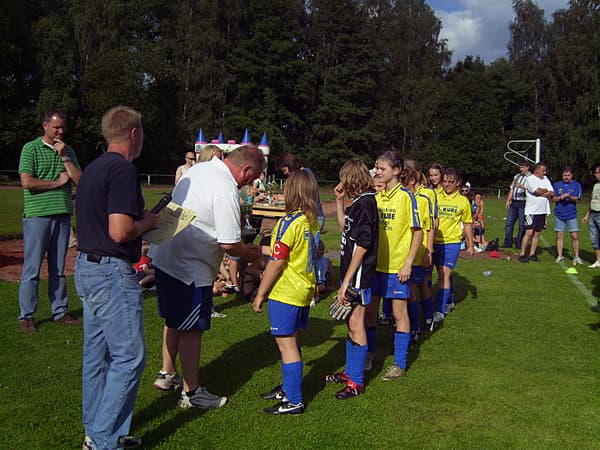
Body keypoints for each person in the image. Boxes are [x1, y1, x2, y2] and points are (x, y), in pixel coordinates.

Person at [148, 145, 264, 409]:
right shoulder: (225, 190)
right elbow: (230, 243)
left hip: (166, 255)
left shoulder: (199, 170)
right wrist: (251, 254)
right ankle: (192, 393)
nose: (252, 182)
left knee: (174, 320)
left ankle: (167, 374)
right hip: (190, 267)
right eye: (253, 176)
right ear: (245, 169)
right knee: (192, 329)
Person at [75, 106, 158, 450]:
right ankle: (104, 439)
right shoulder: (123, 170)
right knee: (129, 357)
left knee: (98, 355)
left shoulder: (93, 169)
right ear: (134, 134)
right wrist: (148, 224)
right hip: (111, 272)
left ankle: (96, 430)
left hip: (86, 267)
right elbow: (121, 231)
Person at [253, 169, 321, 414]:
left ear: (291, 192)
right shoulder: (311, 222)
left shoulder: (288, 223)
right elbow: (316, 252)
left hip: (286, 292)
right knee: (291, 341)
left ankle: (294, 400)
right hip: (303, 289)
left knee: (286, 344)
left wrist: (261, 293)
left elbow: (277, 262)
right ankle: (289, 387)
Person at [17, 109, 81, 332]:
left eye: (63, 127)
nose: (60, 131)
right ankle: (26, 315)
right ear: (45, 126)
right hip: (38, 215)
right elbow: (27, 182)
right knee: (32, 268)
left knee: (58, 268)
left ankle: (60, 311)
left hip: (62, 214)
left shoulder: (68, 151)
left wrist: (64, 157)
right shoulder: (31, 149)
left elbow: (79, 180)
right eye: (56, 127)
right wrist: (57, 183)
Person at [324, 159, 378, 399]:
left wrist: (346, 281)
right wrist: (338, 201)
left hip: (358, 275)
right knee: (350, 322)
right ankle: (350, 371)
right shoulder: (358, 202)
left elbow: (364, 244)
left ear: (352, 179)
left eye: (344, 178)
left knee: (356, 323)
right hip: (351, 273)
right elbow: (344, 227)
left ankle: (356, 381)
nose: (341, 182)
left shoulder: (366, 203)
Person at [369, 150, 423, 381]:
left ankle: (399, 362)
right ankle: (368, 354)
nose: (378, 173)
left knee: (399, 313)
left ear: (397, 170)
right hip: (375, 266)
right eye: (377, 169)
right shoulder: (377, 197)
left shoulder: (406, 197)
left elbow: (418, 232)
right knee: (370, 312)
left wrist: (408, 263)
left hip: (397, 268)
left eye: (382, 169)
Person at [432, 168, 473, 326]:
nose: (447, 184)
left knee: (443, 274)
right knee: (440, 273)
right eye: (445, 181)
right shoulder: (435, 196)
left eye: (451, 182)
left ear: (458, 183)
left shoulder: (463, 201)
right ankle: (448, 299)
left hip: (452, 242)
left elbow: (468, 224)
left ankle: (439, 310)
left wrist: (470, 246)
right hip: (434, 241)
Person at [275, 152, 325, 230]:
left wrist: (285, 198)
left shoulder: (305, 174)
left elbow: (303, 198)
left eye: (284, 170)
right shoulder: (301, 175)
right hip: (306, 217)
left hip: (313, 218)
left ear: (290, 165)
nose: (285, 173)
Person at [519, 162, 554, 263]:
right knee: (529, 232)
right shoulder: (530, 179)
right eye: (543, 170)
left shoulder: (546, 179)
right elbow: (536, 191)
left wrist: (543, 191)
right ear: (537, 170)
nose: (545, 172)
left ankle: (532, 254)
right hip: (532, 210)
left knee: (537, 233)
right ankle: (522, 254)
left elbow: (552, 192)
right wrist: (544, 191)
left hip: (542, 210)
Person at [552, 166, 582, 265]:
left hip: (571, 214)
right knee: (559, 235)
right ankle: (560, 256)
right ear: (562, 175)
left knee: (574, 235)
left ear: (571, 175)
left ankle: (576, 256)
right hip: (559, 213)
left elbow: (577, 199)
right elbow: (553, 199)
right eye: (565, 175)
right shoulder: (557, 185)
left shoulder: (576, 185)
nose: (566, 177)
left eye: (568, 175)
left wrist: (570, 197)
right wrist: (561, 197)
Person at [503, 160, 530, 249]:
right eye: (520, 167)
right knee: (509, 223)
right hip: (514, 202)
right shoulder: (517, 176)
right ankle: (508, 242)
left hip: (523, 202)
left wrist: (522, 186)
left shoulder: (530, 178)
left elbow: (531, 190)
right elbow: (512, 189)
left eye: (522, 167)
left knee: (522, 225)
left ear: (527, 168)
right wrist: (508, 200)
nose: (520, 169)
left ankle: (519, 243)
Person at [583, 163, 600, 268]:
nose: (595, 174)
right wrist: (587, 215)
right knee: (594, 239)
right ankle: (598, 261)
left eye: (597, 172)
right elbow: (592, 201)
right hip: (593, 214)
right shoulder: (596, 185)